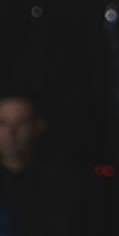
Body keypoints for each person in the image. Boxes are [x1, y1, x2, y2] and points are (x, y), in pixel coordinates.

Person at [0, 90, 83, 236]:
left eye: (21, 123)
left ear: (38, 126)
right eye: (3, 123)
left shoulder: (64, 182)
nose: (11, 132)